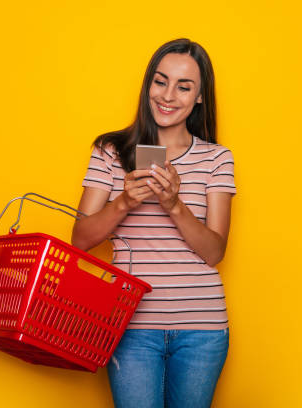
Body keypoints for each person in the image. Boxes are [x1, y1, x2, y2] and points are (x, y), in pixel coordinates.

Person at [71, 38, 236, 408]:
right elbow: (79, 240)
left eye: (184, 86)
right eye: (160, 81)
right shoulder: (110, 152)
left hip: (202, 327)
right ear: (148, 84)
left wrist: (174, 205)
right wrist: (126, 201)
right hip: (128, 326)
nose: (168, 95)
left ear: (199, 98)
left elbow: (215, 252)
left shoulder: (216, 158)